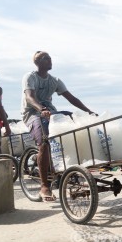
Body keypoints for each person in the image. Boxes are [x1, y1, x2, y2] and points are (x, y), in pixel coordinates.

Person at [21, 51, 96, 202]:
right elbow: (29, 97)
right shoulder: (30, 77)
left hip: (50, 112)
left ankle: (68, 171)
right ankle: (44, 186)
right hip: (32, 113)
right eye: (46, 59)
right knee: (44, 142)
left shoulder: (55, 80)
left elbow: (71, 98)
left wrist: (88, 111)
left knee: (69, 130)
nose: (50, 60)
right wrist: (41, 109)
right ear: (38, 62)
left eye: (50, 58)